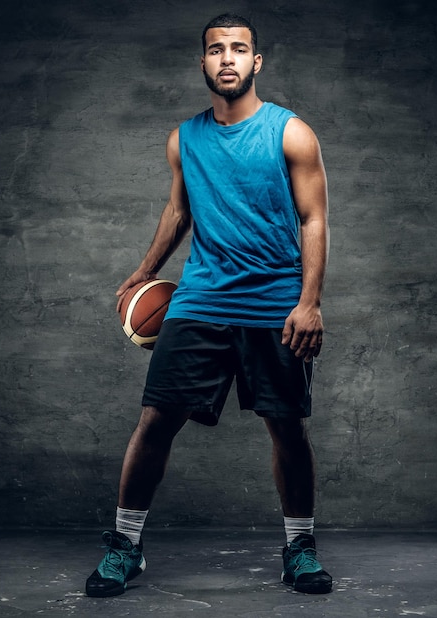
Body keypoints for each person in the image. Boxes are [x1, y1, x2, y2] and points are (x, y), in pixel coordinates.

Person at [86, 13, 332, 597]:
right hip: (200, 299)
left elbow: (315, 217)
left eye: (239, 49)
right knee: (155, 422)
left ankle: (299, 549)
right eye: (216, 50)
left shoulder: (291, 133)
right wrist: (144, 273)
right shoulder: (184, 138)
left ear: (257, 61)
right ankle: (126, 547)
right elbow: (179, 212)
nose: (227, 58)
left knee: (287, 429)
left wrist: (310, 303)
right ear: (202, 63)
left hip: (274, 302)